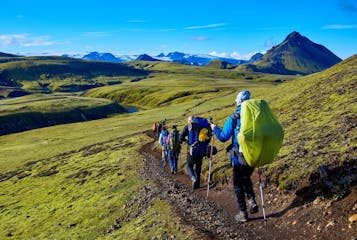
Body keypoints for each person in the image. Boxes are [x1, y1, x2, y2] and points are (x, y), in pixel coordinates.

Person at [210, 90, 259, 222]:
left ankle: (243, 213)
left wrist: (214, 128)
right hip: (253, 154)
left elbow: (223, 137)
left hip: (238, 156)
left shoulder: (234, 117)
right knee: (246, 177)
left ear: (238, 102)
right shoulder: (255, 115)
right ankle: (252, 200)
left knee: (238, 184)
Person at [179, 116, 204, 190]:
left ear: (190, 121)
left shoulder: (188, 127)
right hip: (201, 151)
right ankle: (197, 185)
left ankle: (193, 178)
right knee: (198, 168)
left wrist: (183, 140)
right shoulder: (200, 126)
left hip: (191, 150)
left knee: (189, 165)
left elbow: (181, 137)